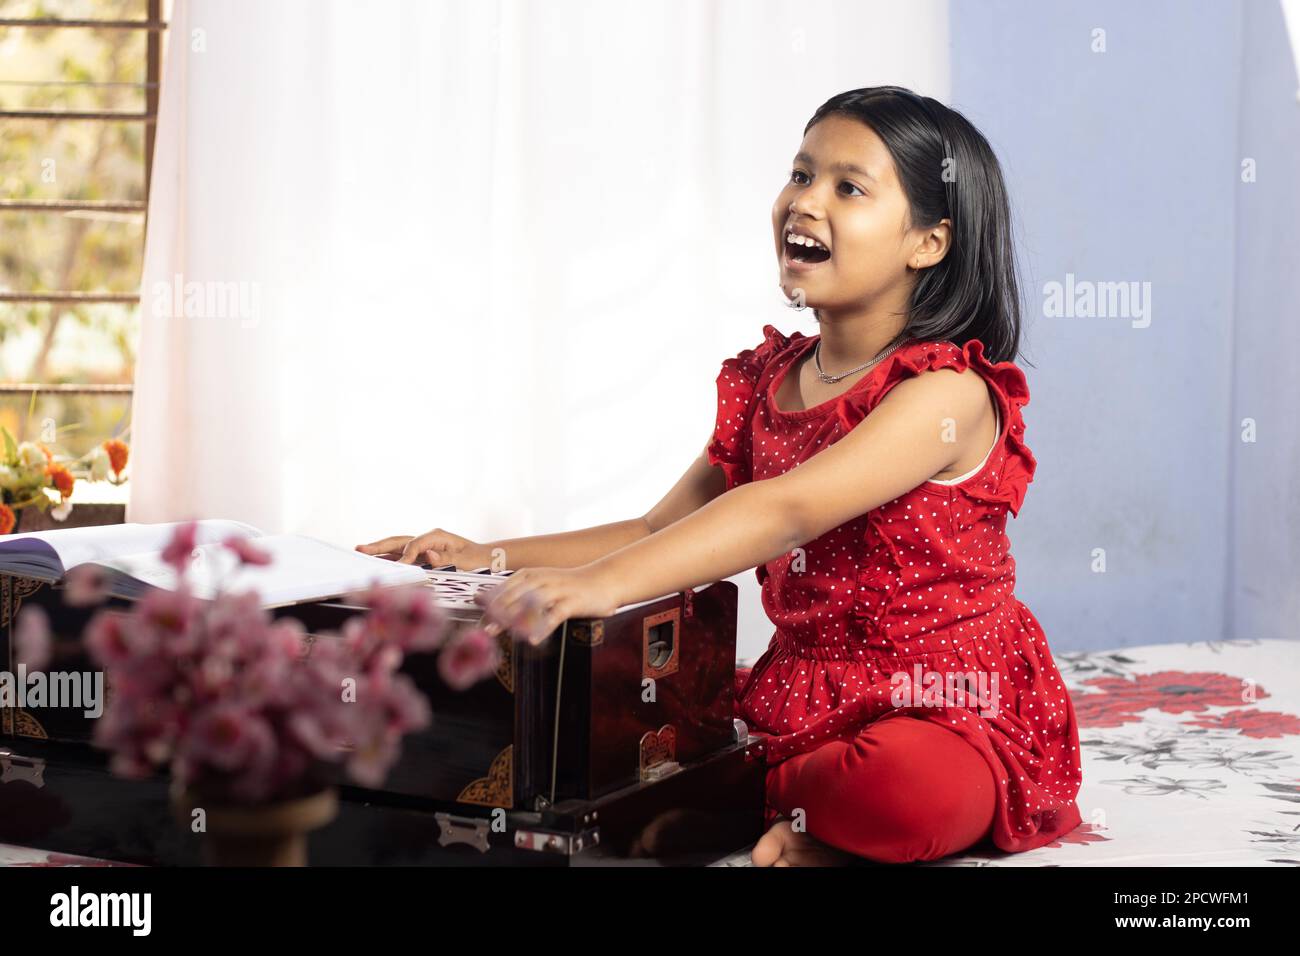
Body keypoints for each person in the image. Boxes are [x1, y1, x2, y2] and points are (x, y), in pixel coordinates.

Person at [358, 86, 1083, 866]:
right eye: (801, 175)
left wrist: (605, 585)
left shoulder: (947, 394)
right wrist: (486, 556)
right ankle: (790, 807)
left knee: (912, 791)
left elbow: (788, 510)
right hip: (802, 691)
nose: (805, 201)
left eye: (848, 187)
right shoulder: (768, 381)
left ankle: (796, 810)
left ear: (928, 244)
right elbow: (652, 531)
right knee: (625, 741)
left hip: (941, 704)